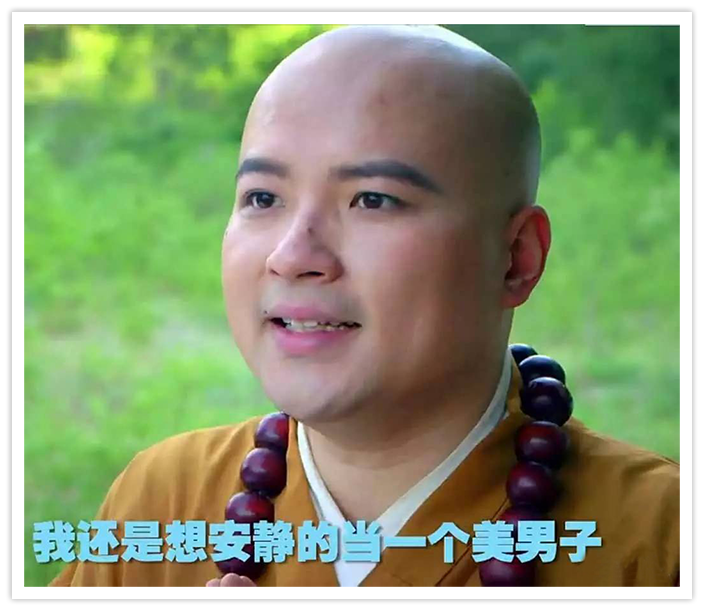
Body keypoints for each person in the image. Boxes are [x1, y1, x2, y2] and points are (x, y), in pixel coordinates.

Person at [48, 24, 679, 588]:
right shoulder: (164, 502)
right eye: (263, 198)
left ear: (515, 258)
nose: (293, 255)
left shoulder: (659, 545)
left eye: (373, 200)